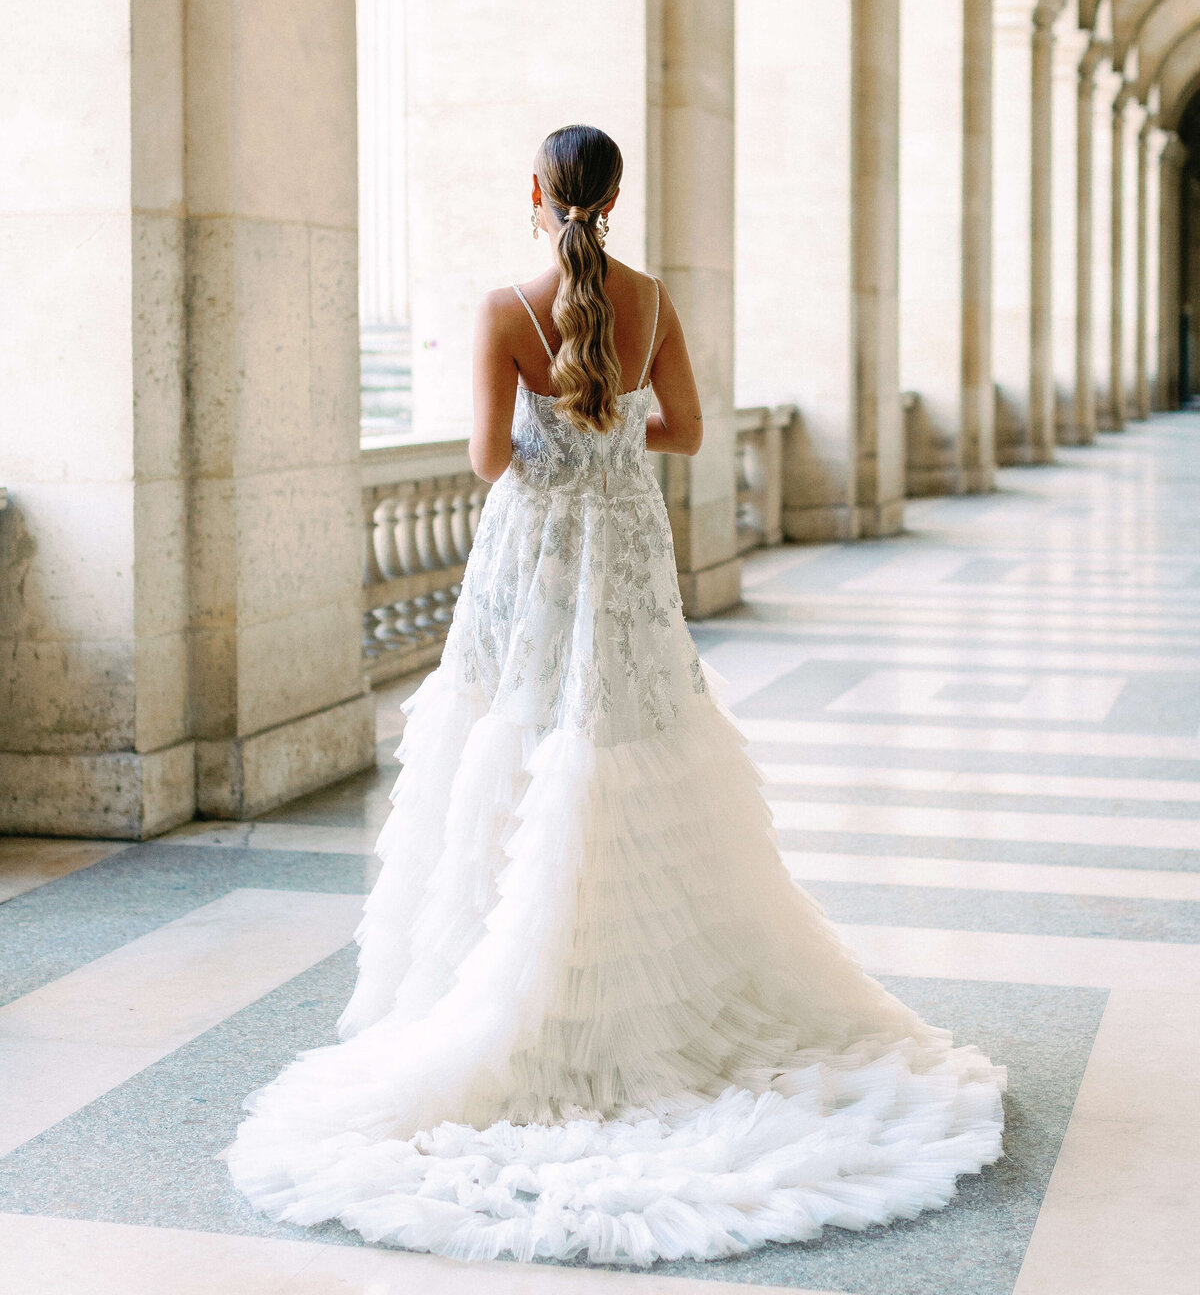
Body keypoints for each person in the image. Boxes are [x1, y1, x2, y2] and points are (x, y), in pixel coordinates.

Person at [227, 124, 1004, 1266]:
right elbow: (687, 428)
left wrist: (555, 423)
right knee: (635, 734)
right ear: (618, 198)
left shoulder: (505, 308)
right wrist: (615, 419)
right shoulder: (651, 301)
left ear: (535, 193)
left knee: (523, 735)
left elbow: (492, 461)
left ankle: (506, 978)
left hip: (534, 555)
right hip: (627, 550)